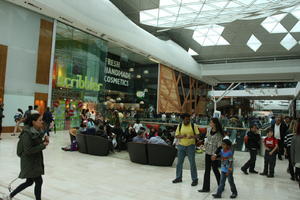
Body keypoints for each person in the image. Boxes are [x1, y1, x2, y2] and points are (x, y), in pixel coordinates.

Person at [0, 111, 49, 200]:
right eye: (40, 120)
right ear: (33, 122)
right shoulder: (26, 134)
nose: (42, 122)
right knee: (38, 181)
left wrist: (44, 141)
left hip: (34, 161)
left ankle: (10, 196)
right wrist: (43, 145)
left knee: (29, 182)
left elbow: (35, 144)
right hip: (29, 162)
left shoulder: (36, 131)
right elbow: (28, 150)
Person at [173, 113, 200, 187]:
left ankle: (194, 179)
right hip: (181, 146)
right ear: (183, 119)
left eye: (189, 119)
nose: (188, 120)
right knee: (179, 163)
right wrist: (182, 136)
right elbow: (176, 135)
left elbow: (198, 135)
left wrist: (192, 136)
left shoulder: (193, 125)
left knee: (192, 163)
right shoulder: (180, 125)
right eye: (186, 119)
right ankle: (178, 178)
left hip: (191, 146)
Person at [198, 118, 223, 192]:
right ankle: (205, 188)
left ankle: (221, 185)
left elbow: (220, 146)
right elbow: (206, 139)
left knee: (215, 169)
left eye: (211, 122)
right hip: (207, 152)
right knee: (207, 170)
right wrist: (203, 145)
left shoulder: (219, 134)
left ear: (215, 123)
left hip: (214, 154)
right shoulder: (208, 130)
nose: (210, 123)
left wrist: (215, 154)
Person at [291, 119, 300, 188]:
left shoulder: (295, 137)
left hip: (297, 160)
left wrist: (293, 161)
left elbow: (292, 151)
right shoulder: (295, 137)